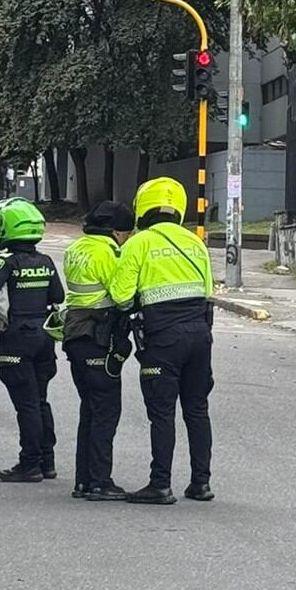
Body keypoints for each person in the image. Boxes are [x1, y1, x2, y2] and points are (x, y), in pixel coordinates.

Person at [110, 178, 215, 505]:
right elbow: (208, 291)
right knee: (197, 410)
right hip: (200, 335)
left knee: (162, 412)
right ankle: (201, 484)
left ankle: (160, 484)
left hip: (163, 337)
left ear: (143, 207)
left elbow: (121, 296)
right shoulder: (196, 242)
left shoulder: (139, 243)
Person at [0, 199, 64, 483]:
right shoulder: (45, 262)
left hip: (17, 338)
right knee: (40, 400)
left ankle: (29, 463)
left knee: (27, 404)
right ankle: (47, 461)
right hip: (44, 338)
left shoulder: (5, 261)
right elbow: (57, 296)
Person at [62, 201, 136, 501]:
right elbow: (122, 298)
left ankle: (84, 480)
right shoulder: (107, 252)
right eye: (127, 234)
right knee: (106, 410)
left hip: (74, 334)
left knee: (89, 409)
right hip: (98, 336)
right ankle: (100, 481)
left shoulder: (76, 248)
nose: (127, 239)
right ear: (116, 231)